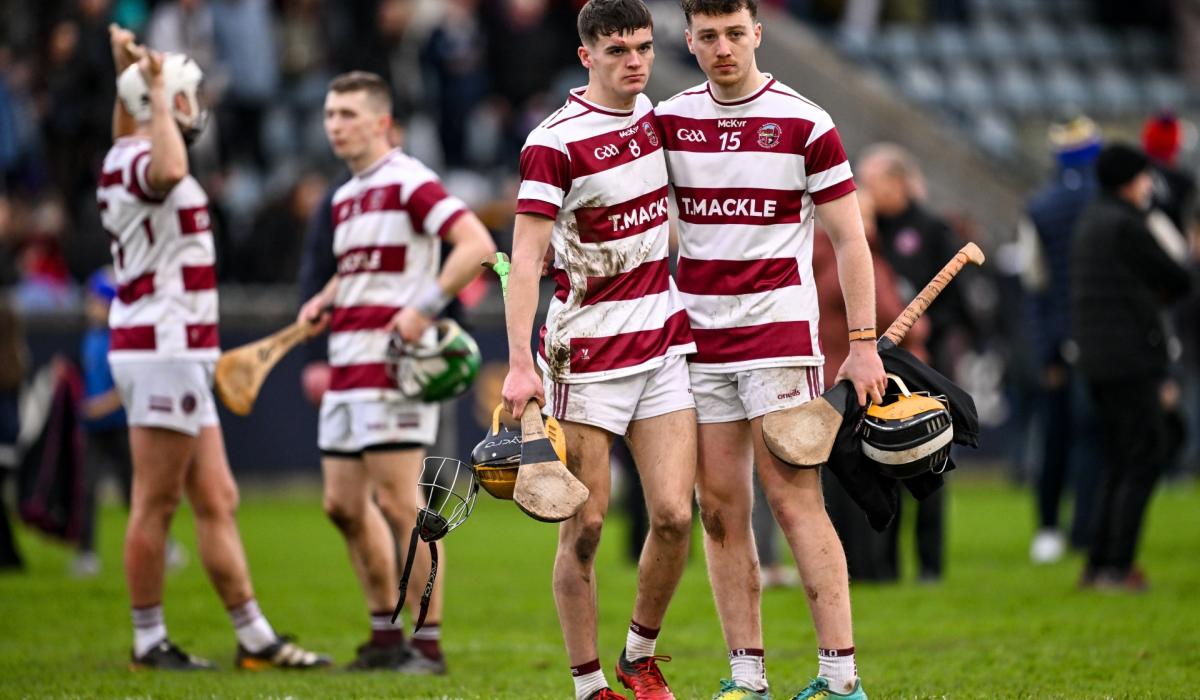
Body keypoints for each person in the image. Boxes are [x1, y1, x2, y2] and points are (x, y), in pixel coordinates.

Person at [656, 2, 887, 698]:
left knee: (794, 506)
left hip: (779, 340)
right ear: (689, 41)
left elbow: (850, 239)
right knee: (721, 510)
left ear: (757, 33)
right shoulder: (667, 120)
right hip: (698, 342)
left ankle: (841, 679)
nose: (723, 47)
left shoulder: (806, 121)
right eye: (708, 36)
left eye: (735, 33)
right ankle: (747, 679)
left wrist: (864, 344)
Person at [98, 25, 330, 671]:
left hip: (175, 349)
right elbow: (169, 166)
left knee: (217, 497)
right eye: (186, 98)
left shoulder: (123, 151)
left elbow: (133, 135)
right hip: (163, 348)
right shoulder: (151, 160)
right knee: (155, 501)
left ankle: (254, 636)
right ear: (162, 104)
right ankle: (149, 640)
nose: (196, 109)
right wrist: (148, 85)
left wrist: (129, 78)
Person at [502, 2, 698, 698]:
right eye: (618, 50)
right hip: (585, 354)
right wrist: (520, 362)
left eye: (643, 47)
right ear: (586, 55)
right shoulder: (554, 142)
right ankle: (589, 686)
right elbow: (523, 262)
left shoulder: (661, 119)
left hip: (665, 343)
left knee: (675, 515)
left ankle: (638, 657)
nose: (635, 61)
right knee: (585, 526)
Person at [297, 70, 495, 672]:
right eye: (331, 114)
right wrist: (328, 295)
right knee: (341, 505)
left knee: (398, 503)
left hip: (390, 370)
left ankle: (427, 643)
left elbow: (476, 244)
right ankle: (385, 635)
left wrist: (423, 308)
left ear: (381, 122)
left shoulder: (408, 180)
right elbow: (364, 266)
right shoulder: (347, 194)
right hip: (346, 364)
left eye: (349, 115)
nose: (336, 125)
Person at [1071, 143, 1193, 592]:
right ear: (1129, 179)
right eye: (1144, 176)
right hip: (1131, 360)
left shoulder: (1090, 221)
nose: (1149, 185)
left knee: (1118, 459)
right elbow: (1177, 276)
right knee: (1144, 455)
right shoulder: (1127, 224)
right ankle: (1117, 565)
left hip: (1097, 360)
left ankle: (1099, 562)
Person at [857, 142, 963, 583]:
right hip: (877, 364)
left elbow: (956, 303)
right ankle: (885, 566)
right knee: (882, 462)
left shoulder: (933, 229)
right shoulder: (864, 230)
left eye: (873, 181)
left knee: (931, 459)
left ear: (899, 182)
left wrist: (929, 342)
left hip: (923, 363)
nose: (864, 190)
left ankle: (930, 565)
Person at [1019, 116, 1103, 563]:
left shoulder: (1041, 206)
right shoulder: (1111, 200)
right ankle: (1088, 527)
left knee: (1054, 436)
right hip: (1104, 336)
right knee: (1094, 436)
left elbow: (1035, 283)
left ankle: (1049, 527)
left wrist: (1045, 349)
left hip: (1059, 340)